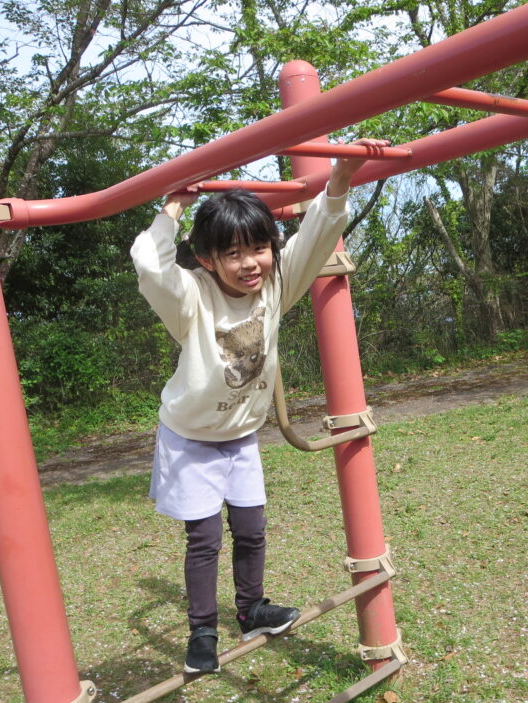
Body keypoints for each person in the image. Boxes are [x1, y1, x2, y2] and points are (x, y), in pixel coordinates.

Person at [130, 138, 389, 673]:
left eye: (258, 248)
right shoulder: (192, 297)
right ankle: (203, 630)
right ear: (208, 259)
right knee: (204, 539)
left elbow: (315, 236)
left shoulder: (275, 284)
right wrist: (173, 206)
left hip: (241, 435)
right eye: (232, 253)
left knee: (251, 528)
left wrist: (341, 176)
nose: (249, 264)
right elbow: (151, 266)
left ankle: (251, 610)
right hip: (191, 436)